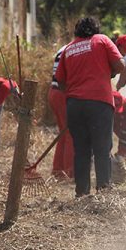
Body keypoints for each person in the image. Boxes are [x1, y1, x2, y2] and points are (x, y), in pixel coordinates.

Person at [55, 17, 125, 197]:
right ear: (96, 29)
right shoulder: (102, 40)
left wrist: (74, 92)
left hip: (74, 105)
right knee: (102, 148)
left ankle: (81, 193)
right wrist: (109, 73)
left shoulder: (69, 49)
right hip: (99, 102)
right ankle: (103, 190)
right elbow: (120, 64)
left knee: (81, 150)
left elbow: (60, 81)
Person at [49, 45, 74, 179]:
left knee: (63, 133)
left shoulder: (64, 48)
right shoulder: (74, 49)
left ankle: (58, 171)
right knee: (71, 133)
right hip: (63, 93)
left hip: (54, 93)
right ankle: (68, 172)